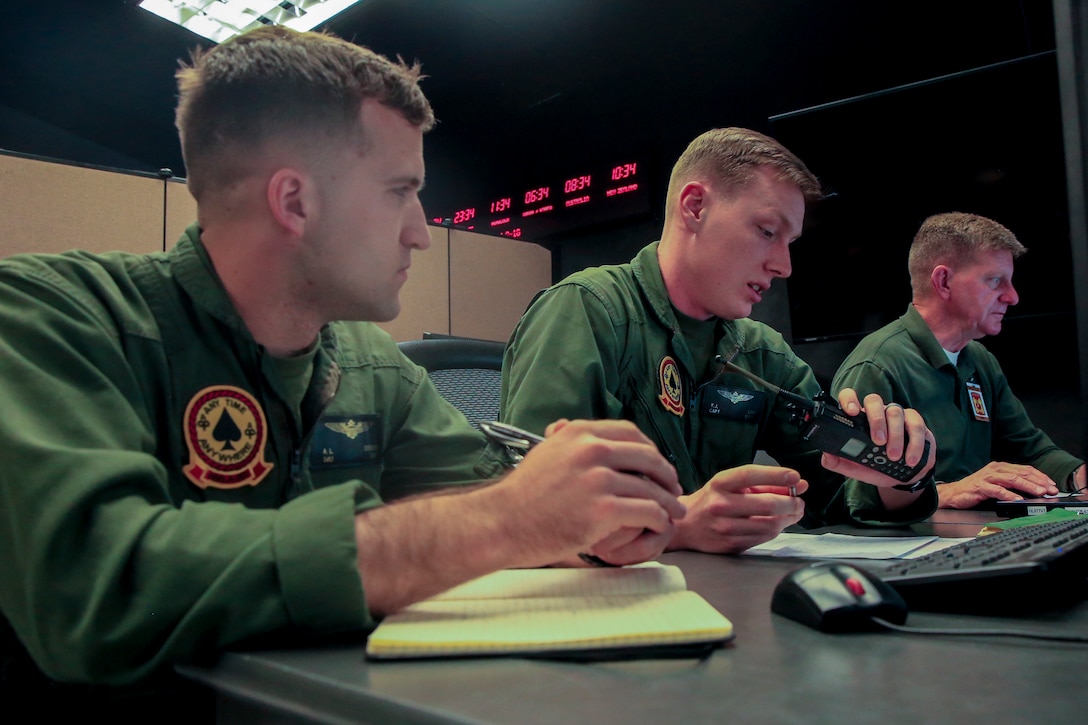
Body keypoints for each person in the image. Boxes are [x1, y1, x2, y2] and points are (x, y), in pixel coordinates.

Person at [0, 27, 687, 709]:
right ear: (294, 201)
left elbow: (489, 496)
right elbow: (95, 589)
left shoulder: (369, 364)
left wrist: (595, 525)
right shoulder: (49, 318)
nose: (420, 230)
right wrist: (503, 520)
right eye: (398, 190)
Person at [500, 127, 937, 556]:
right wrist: (677, 523)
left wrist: (902, 477)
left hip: (722, 599)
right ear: (694, 207)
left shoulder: (760, 353)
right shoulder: (589, 311)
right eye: (767, 231)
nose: (784, 265)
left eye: (790, 242)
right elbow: (526, 511)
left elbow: (833, 496)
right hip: (604, 604)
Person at [832, 212, 1085, 509]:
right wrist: (947, 492)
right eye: (995, 281)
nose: (1012, 297)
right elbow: (846, 493)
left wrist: (1078, 475)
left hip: (979, 534)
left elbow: (1028, 449)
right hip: (915, 547)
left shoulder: (978, 358)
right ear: (944, 281)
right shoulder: (877, 366)